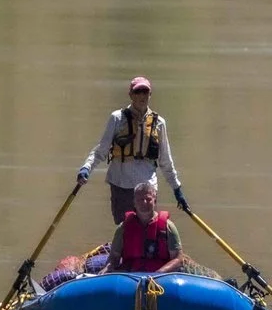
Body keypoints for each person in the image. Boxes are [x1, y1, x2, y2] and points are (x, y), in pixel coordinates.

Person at [78, 75, 188, 228]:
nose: (142, 96)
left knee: (147, 229)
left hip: (147, 187)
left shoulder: (159, 123)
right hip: (121, 184)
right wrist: (86, 168)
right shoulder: (117, 118)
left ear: (150, 95)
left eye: (145, 92)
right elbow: (100, 151)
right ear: (131, 95)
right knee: (124, 230)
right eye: (138, 92)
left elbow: (166, 161)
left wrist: (177, 189)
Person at [106, 178, 202, 275]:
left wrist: (157, 274)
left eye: (148, 199)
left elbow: (178, 259)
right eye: (140, 199)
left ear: (155, 201)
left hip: (160, 277)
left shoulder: (168, 227)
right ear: (134, 203)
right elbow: (114, 257)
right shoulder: (123, 227)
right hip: (130, 275)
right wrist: (107, 270)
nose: (144, 202)